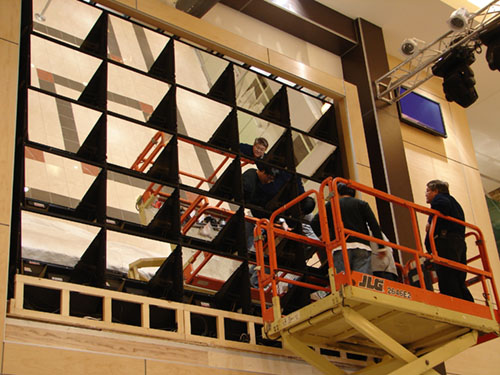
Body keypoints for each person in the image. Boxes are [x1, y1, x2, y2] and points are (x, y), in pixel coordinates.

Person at [311, 182, 383, 275]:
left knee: (342, 284)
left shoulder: (331, 205)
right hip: (362, 246)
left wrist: (324, 238)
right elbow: (374, 226)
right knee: (361, 283)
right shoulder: (362, 204)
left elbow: (314, 223)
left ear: (338, 192)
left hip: (340, 247)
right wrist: (381, 247)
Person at [424, 179, 473, 301]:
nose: (426, 194)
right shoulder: (455, 203)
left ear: (436, 191)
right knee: (458, 278)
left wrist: (430, 221)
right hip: (457, 243)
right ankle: (468, 304)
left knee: (447, 277)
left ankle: (454, 305)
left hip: (446, 243)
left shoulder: (440, 199)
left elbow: (442, 205)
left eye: (428, 191)